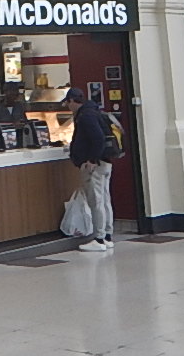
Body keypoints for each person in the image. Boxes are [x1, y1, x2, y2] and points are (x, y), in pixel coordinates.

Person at [63, 86, 115, 251]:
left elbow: (98, 138)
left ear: (72, 101)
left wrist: (91, 160)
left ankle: (99, 239)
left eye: (68, 103)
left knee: (96, 201)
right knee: (105, 200)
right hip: (105, 163)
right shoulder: (94, 111)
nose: (67, 107)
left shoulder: (85, 116)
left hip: (95, 166)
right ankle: (107, 236)